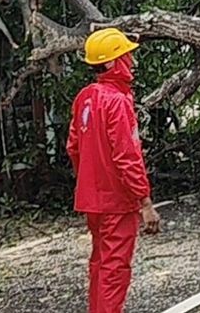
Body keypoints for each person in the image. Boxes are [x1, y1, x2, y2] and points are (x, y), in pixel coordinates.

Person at [66, 28, 161, 313]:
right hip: (117, 201)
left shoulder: (86, 96)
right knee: (114, 270)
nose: (130, 60)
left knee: (100, 264)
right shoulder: (116, 101)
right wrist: (144, 201)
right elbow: (127, 156)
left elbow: (73, 146)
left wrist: (89, 181)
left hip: (93, 200)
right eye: (125, 55)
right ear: (111, 63)